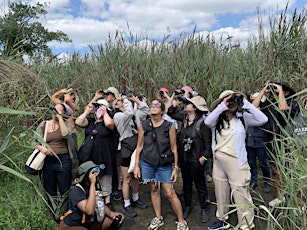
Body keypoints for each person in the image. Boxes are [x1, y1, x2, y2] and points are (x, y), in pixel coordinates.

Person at [205, 90, 268, 230]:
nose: (231, 102)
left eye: (234, 100)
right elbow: (207, 122)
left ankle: (246, 225)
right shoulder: (216, 119)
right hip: (219, 161)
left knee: (241, 194)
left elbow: (263, 119)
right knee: (221, 192)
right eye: (228, 100)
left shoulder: (243, 117)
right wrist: (223, 104)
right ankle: (222, 220)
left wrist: (245, 102)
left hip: (236, 161)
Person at [134, 99, 189, 230]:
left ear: (162, 110)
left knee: (169, 192)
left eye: (157, 105)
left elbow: (174, 148)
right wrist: (136, 165)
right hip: (147, 162)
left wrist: (175, 168)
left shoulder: (169, 126)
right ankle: (158, 217)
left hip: (164, 164)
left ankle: (181, 221)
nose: (153, 107)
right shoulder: (144, 125)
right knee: (153, 188)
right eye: (151, 105)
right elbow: (139, 146)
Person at [252, 81, 299, 207]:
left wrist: (279, 91)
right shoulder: (269, 104)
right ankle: (280, 196)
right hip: (270, 142)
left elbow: (283, 109)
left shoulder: (293, 104)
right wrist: (263, 90)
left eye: (279, 90)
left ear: (287, 92)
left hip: (287, 143)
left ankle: (299, 203)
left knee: (292, 173)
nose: (275, 92)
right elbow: (254, 106)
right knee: (275, 171)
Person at [58, 161, 125, 230]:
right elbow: (89, 211)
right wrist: (92, 183)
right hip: (72, 225)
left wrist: (112, 214)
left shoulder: (95, 186)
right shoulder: (76, 191)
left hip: (88, 223)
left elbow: (99, 203)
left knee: (115, 219)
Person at [75, 98, 115, 210]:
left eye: (101, 107)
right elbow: (78, 122)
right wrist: (88, 111)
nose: (98, 109)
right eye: (97, 107)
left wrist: (105, 112)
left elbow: (109, 124)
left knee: (105, 178)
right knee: (90, 177)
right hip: (89, 156)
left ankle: (107, 202)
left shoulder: (109, 121)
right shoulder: (91, 121)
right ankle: (92, 199)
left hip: (104, 155)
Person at [113, 93, 149, 217]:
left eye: (120, 100)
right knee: (127, 178)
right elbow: (128, 113)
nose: (121, 101)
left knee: (136, 176)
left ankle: (135, 198)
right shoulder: (118, 116)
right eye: (118, 101)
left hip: (136, 148)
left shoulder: (134, 114)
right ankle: (127, 204)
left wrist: (136, 100)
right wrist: (126, 100)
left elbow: (146, 109)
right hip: (125, 150)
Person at [177, 95, 212, 223]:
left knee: (200, 185)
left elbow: (208, 145)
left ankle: (204, 208)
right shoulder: (185, 119)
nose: (186, 104)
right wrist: (176, 101)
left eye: (189, 103)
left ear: (195, 108)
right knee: (186, 185)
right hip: (184, 159)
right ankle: (187, 206)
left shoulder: (202, 124)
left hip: (196, 160)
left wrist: (203, 158)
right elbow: (170, 111)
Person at [32, 102, 75, 199]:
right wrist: (42, 148)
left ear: (64, 112)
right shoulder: (44, 124)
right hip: (47, 160)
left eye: (59, 110)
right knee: (50, 190)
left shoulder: (66, 124)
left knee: (64, 189)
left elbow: (65, 135)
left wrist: (60, 118)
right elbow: (34, 142)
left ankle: (65, 212)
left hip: (63, 159)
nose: (55, 112)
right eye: (54, 110)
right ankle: (52, 211)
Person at [246, 93, 271, 192]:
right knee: (251, 163)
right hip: (250, 142)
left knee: (263, 163)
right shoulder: (248, 111)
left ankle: (267, 182)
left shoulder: (265, 112)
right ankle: (254, 181)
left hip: (261, 142)